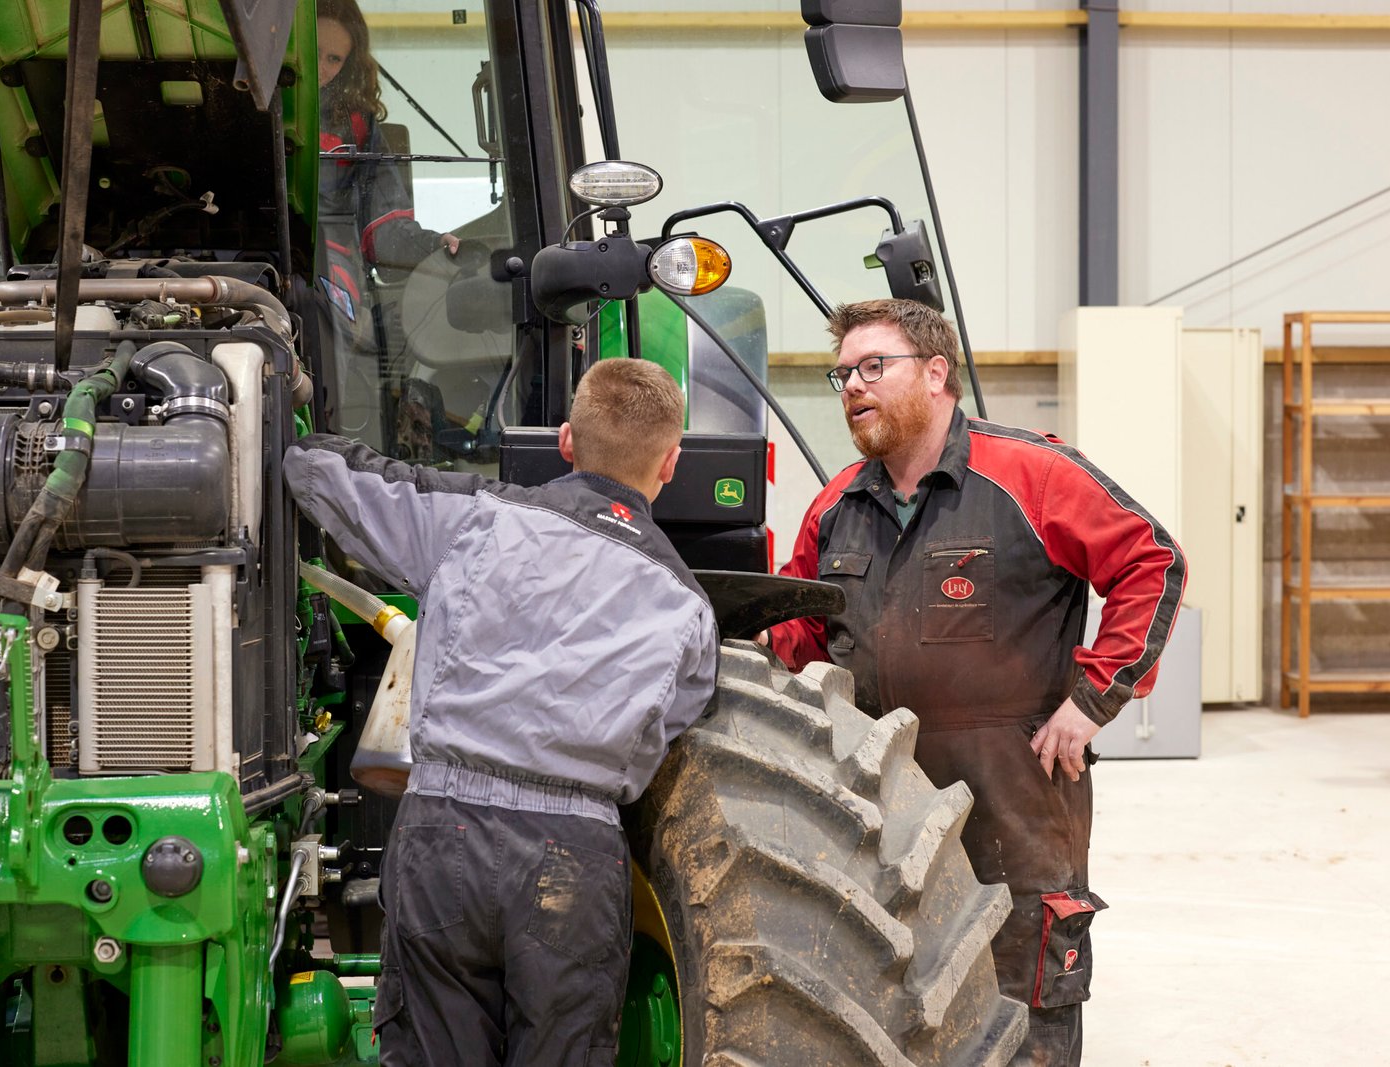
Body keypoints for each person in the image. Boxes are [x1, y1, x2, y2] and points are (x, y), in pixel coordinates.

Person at [764, 298, 1186, 1067]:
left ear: (935, 374)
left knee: (1022, 1008)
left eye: (872, 367)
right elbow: (799, 628)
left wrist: (1091, 700)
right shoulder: (836, 506)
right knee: (895, 1003)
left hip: (1014, 799)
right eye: (843, 373)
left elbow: (1153, 562)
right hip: (877, 803)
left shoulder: (1030, 473)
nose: (852, 386)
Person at [284, 358, 720, 1066]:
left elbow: (319, 473)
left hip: (443, 834)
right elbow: (668, 730)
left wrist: (284, 395)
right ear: (670, 462)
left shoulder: (476, 518)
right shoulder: (688, 607)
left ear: (567, 441)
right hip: (576, 855)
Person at [316, 0, 457, 281]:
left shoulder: (359, 128)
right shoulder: (248, 104)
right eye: (314, 51)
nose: (320, 67)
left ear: (347, 64)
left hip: (330, 277)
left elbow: (383, 227)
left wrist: (433, 245)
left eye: (333, 59)